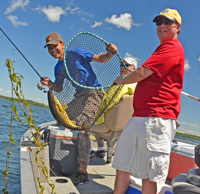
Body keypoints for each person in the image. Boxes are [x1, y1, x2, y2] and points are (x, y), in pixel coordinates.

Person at [112, 8, 185, 194]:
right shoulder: (162, 49)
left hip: (156, 119)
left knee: (149, 174)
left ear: (177, 27)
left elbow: (142, 72)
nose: (162, 26)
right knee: (122, 163)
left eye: (168, 22)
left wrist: (121, 80)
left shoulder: (172, 48)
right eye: (159, 22)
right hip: (139, 117)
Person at [40, 32, 117, 186]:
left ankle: (82, 172)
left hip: (94, 93)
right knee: (62, 119)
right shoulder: (58, 67)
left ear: (62, 44)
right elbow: (59, 89)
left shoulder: (75, 53)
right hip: (79, 96)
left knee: (83, 128)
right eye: (49, 48)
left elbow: (100, 59)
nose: (52, 50)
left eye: (54, 46)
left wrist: (110, 53)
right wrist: (49, 84)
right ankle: (66, 155)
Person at [91, 57, 137, 158]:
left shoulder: (122, 84)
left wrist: (113, 86)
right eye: (121, 65)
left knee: (83, 124)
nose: (122, 68)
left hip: (107, 125)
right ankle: (101, 150)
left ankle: (88, 153)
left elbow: (108, 102)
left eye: (126, 65)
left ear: (134, 69)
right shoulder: (137, 86)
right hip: (125, 128)